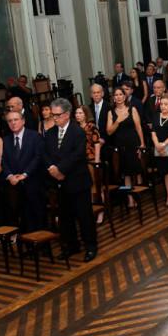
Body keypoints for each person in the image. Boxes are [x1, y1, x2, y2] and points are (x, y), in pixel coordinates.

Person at [44, 98, 98, 262]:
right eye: (53, 115)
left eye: (57, 115)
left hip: (77, 180)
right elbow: (46, 154)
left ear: (67, 114)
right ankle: (71, 246)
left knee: (84, 216)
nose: (54, 118)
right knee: (65, 217)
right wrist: (53, 169)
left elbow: (77, 155)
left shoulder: (77, 132)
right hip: (60, 182)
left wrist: (61, 170)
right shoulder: (51, 132)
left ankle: (90, 247)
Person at [1, 110, 45, 233]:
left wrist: (25, 174)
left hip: (33, 183)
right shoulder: (5, 140)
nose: (13, 123)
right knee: (23, 218)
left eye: (16, 119)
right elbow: (3, 161)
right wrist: (10, 176)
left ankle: (41, 243)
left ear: (23, 121)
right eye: (10, 121)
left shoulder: (35, 136)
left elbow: (38, 158)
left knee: (38, 215)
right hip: (15, 186)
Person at [106, 87, 145, 206]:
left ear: (124, 96)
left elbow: (138, 127)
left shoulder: (132, 109)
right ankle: (129, 199)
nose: (118, 97)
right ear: (113, 97)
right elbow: (109, 131)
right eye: (116, 95)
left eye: (120, 94)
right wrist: (118, 121)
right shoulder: (110, 112)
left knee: (137, 172)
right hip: (121, 147)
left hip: (133, 144)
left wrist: (142, 144)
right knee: (126, 174)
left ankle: (138, 197)